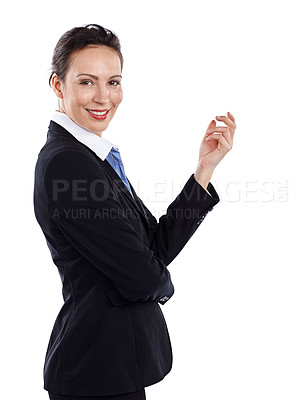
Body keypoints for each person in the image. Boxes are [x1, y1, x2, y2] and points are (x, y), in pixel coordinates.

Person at [33, 24, 236, 400]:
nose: (103, 97)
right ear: (58, 86)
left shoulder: (92, 157)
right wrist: (164, 285)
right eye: (86, 82)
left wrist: (204, 171)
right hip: (95, 372)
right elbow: (143, 276)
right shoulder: (68, 164)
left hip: (112, 369)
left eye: (113, 82)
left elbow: (153, 247)